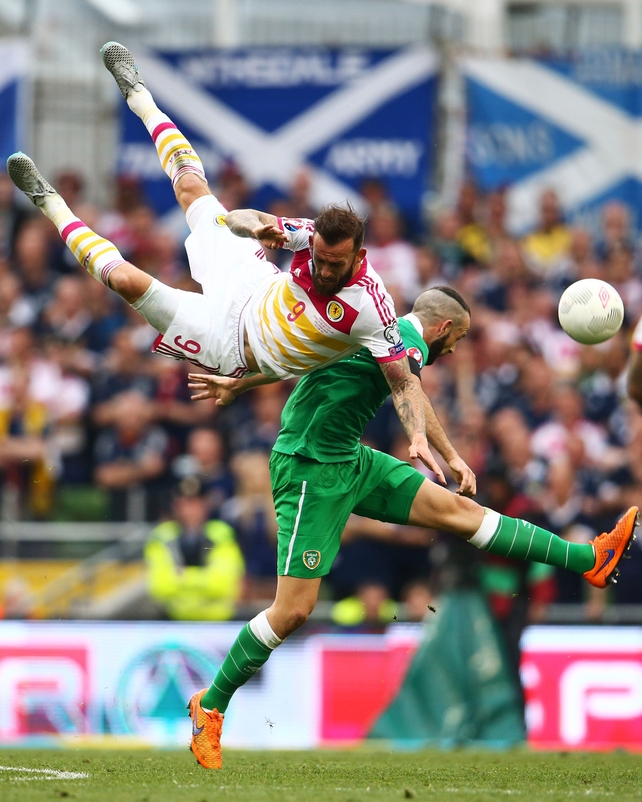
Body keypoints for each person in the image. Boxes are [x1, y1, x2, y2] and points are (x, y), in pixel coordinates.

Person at [186, 286, 639, 769]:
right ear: (442, 327)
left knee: (460, 513)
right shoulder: (407, 338)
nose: (456, 349)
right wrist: (422, 440)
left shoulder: (375, 332)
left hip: (351, 459)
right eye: (458, 338)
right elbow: (406, 391)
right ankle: (209, 705)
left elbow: (306, 360)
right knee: (293, 610)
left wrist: (451, 455)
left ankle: (590, 559)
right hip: (308, 469)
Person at [6, 41, 431, 471]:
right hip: (250, 281)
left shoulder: (372, 308)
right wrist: (253, 227)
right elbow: (250, 218)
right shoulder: (308, 235)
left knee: (124, 281)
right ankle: (140, 96)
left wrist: (418, 436)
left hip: (225, 344)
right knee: (191, 188)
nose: (322, 269)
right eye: (319, 258)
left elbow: (403, 383)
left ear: (358, 257)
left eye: (334, 264)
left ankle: (50, 204)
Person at [144, 476, 245, 621]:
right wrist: (203, 578)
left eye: (194, 504)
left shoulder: (222, 534)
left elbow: (221, 585)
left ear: (206, 505)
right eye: (183, 505)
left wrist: (181, 577)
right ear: (174, 507)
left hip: (217, 623)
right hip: (173, 620)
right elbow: (160, 586)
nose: (188, 511)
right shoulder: (162, 536)